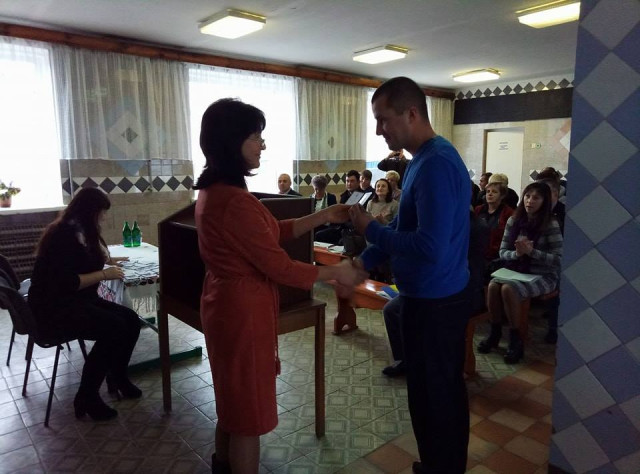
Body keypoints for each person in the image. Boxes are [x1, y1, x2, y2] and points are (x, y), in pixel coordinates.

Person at [193, 98, 366, 474]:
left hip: (225, 303)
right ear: (232, 141)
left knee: (232, 403)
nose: (263, 145)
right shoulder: (234, 201)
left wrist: (323, 215)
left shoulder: (216, 191)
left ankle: (222, 465)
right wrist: (336, 272)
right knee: (248, 416)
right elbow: (279, 266)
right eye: (256, 136)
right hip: (242, 312)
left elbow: (270, 232)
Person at [350, 77, 472, 474]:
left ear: (412, 113)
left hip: (438, 302)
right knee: (427, 394)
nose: (378, 130)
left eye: (383, 119)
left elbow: (428, 246)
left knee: (437, 397)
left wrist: (370, 229)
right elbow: (404, 228)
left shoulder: (436, 163)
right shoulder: (421, 159)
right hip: (425, 297)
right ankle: (436, 463)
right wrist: (362, 262)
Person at [28, 188, 142, 421]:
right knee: (114, 328)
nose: (103, 218)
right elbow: (68, 282)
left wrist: (108, 261)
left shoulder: (77, 230)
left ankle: (118, 377)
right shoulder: (63, 236)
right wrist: (105, 274)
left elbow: (84, 260)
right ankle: (87, 396)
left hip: (77, 300)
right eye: (101, 213)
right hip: (54, 309)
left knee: (131, 320)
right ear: (90, 212)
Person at [477, 182, 563, 364]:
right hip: (516, 270)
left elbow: (559, 259)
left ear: (545, 201)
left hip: (544, 274)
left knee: (508, 288)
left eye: (536, 198)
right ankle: (495, 333)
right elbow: (503, 252)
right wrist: (517, 254)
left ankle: (516, 340)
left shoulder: (550, 223)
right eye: (527, 196)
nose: (529, 201)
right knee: (492, 286)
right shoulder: (514, 220)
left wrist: (532, 252)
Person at [474, 182, 514, 263]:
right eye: (488, 191)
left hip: (497, 256)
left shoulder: (508, 213)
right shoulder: (478, 209)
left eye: (494, 192)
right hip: (477, 253)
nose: (490, 194)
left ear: (502, 196)